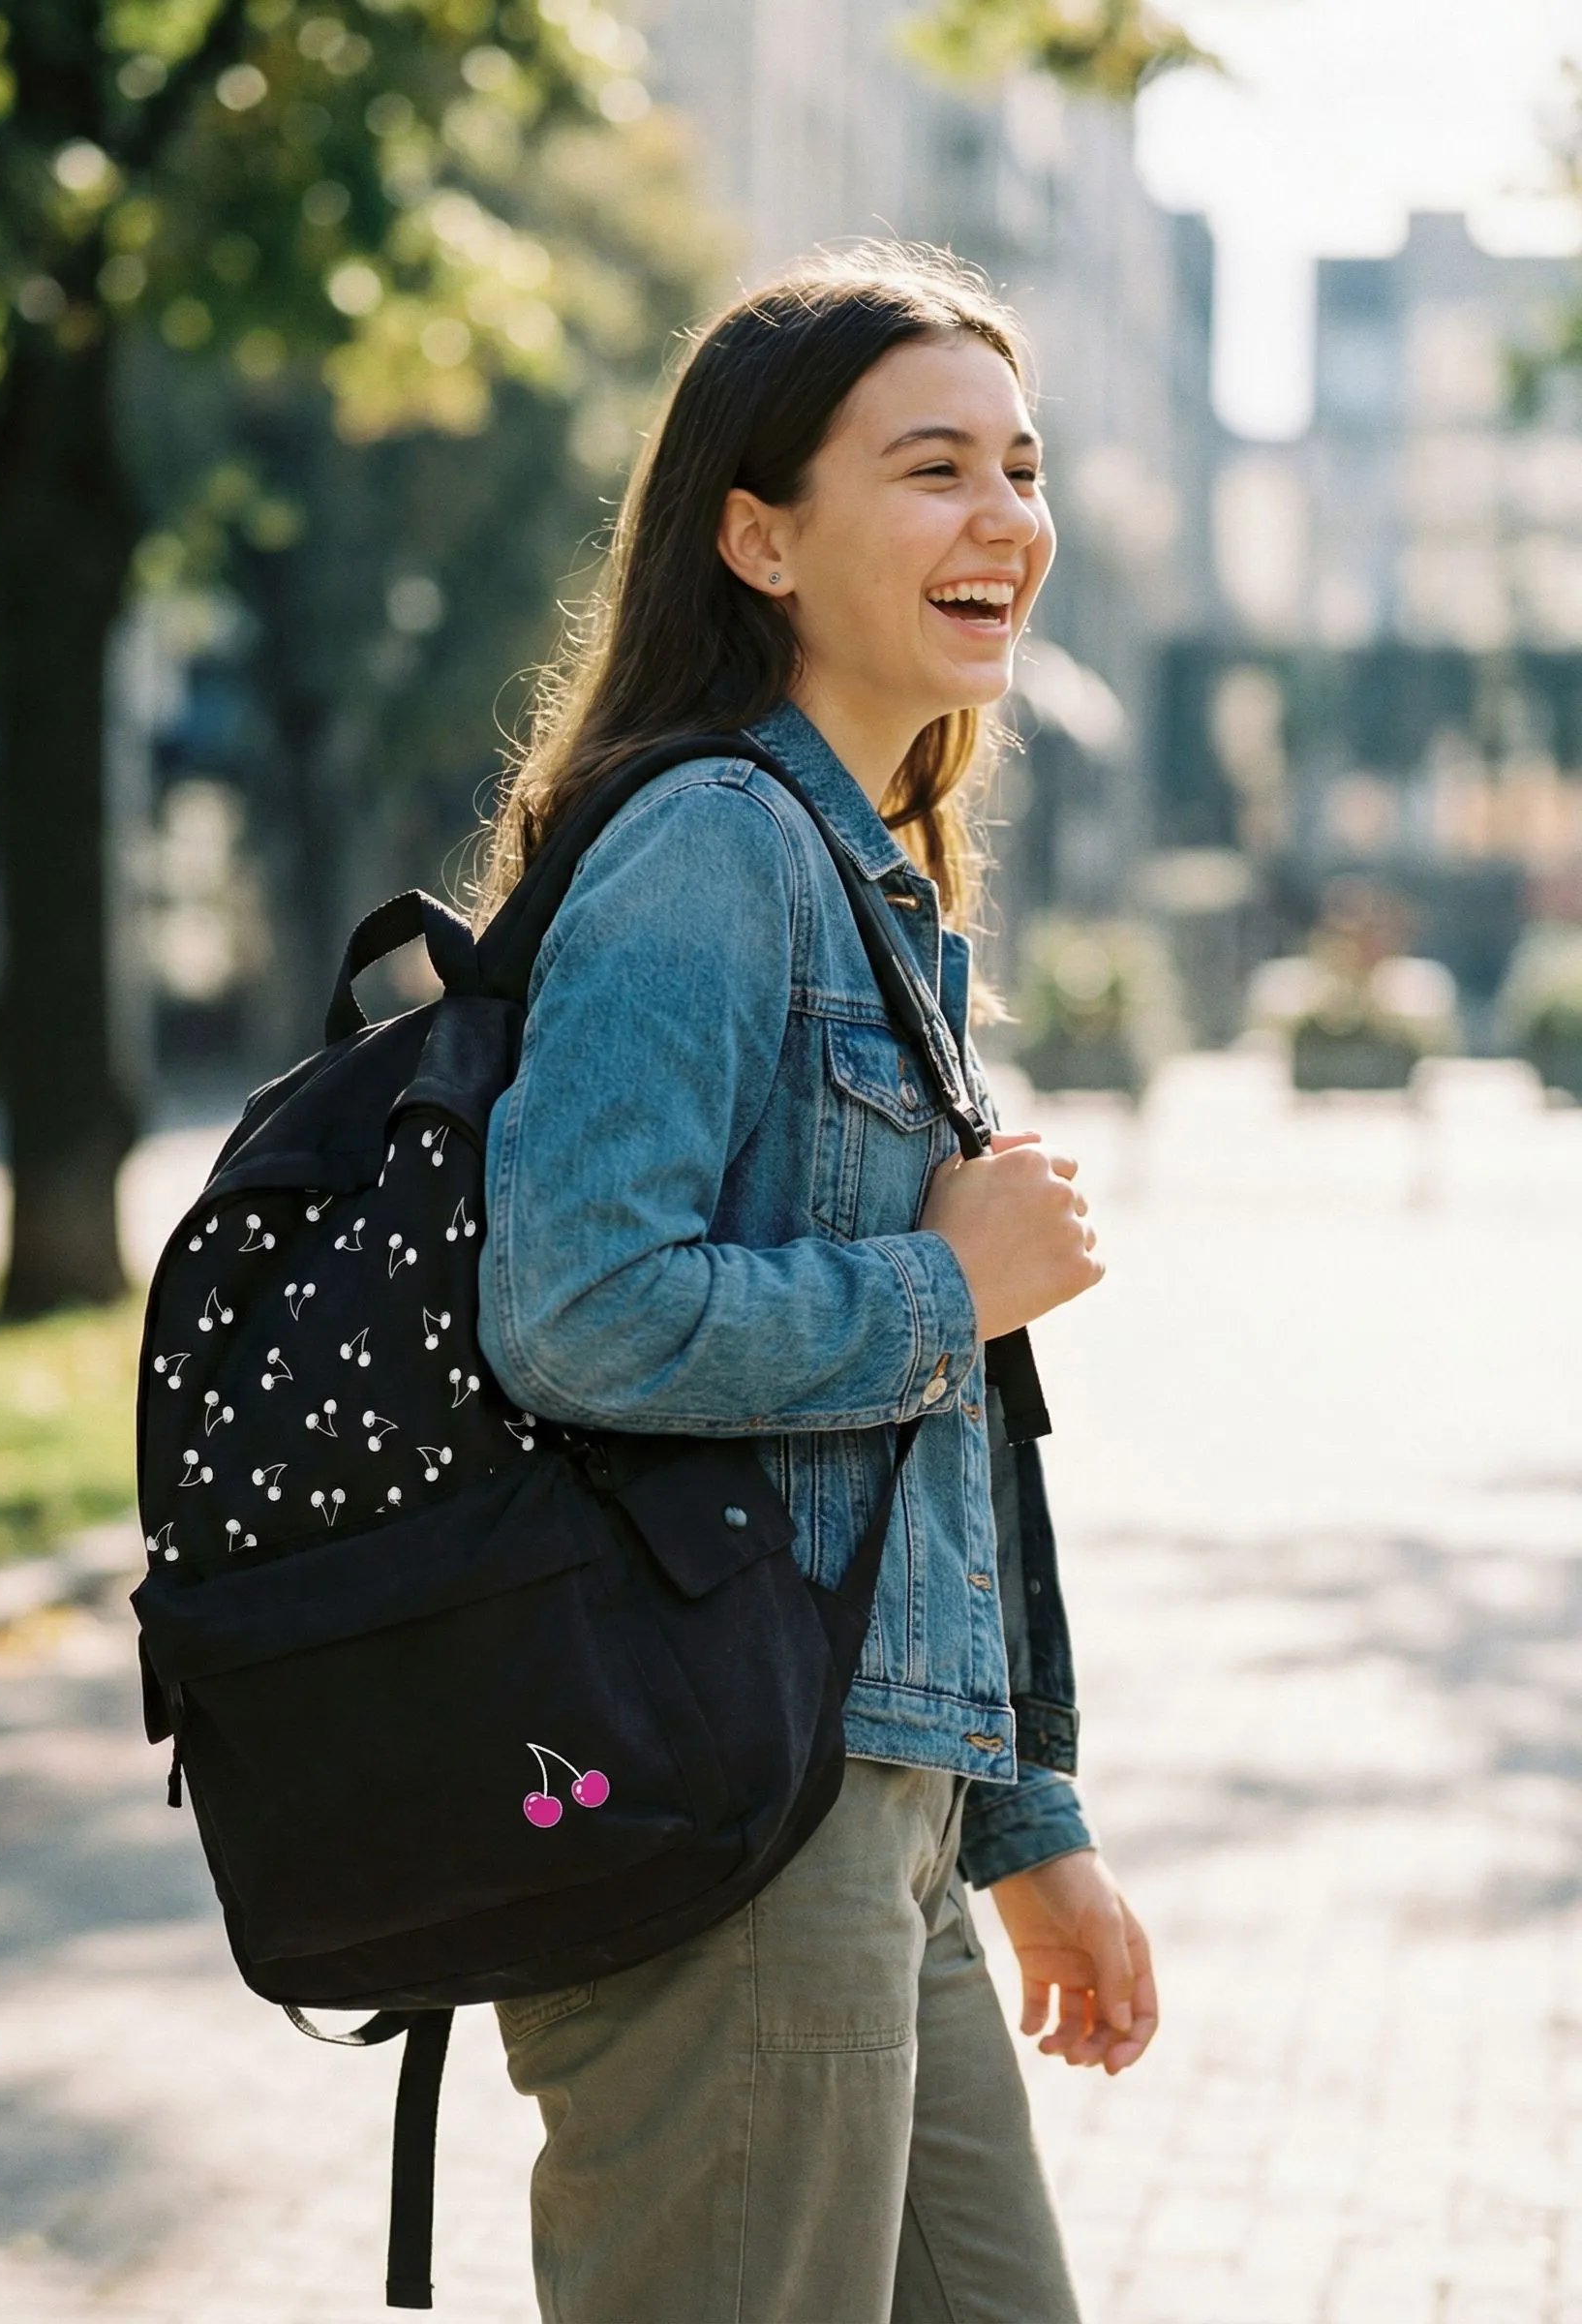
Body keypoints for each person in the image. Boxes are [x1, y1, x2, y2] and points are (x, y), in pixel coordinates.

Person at [474, 244, 1157, 2324]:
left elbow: (922, 1475)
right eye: (932, 467)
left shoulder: (862, 880)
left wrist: (1021, 1819)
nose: (1003, 522)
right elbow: (576, 1309)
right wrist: (940, 1292)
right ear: (755, 535)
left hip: (871, 1798)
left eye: (1018, 468)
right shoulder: (710, 847)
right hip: (727, 1816)